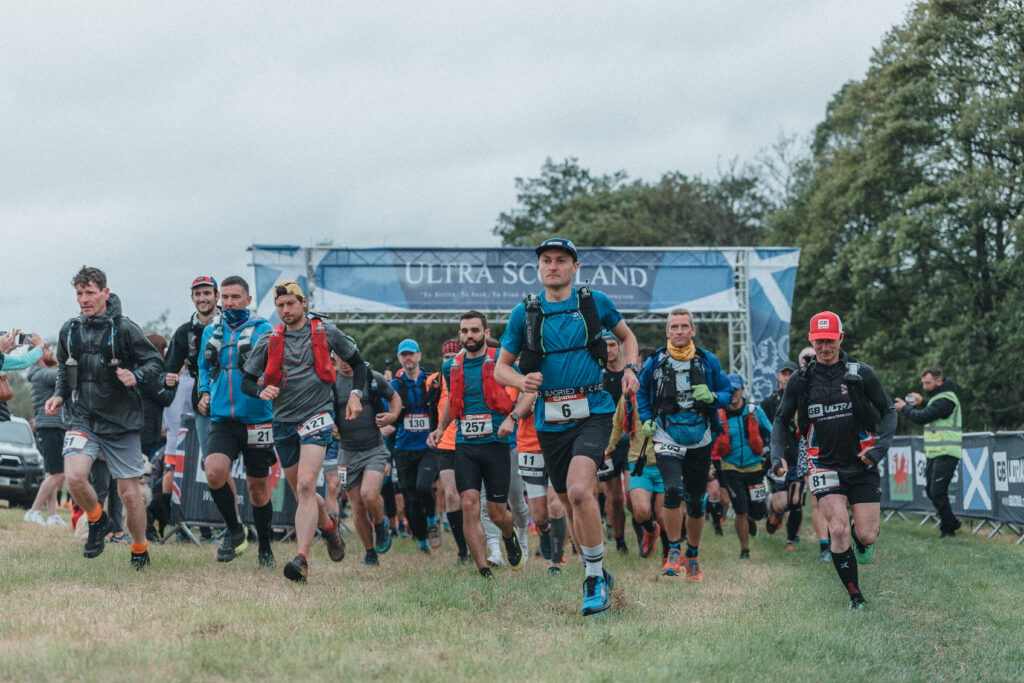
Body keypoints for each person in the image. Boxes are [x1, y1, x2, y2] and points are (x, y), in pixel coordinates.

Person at [495, 238, 640, 616]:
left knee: (578, 491)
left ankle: (592, 577)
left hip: (594, 408)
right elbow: (501, 368)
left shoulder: (594, 302)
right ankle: (598, 569)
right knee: (568, 502)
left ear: (575, 267)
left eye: (561, 260)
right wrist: (519, 382)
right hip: (549, 417)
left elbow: (626, 336)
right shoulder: (524, 313)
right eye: (547, 260)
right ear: (539, 267)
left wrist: (631, 369)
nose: (553, 266)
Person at [770, 311, 897, 609]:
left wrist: (879, 449)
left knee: (867, 534)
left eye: (829, 341)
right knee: (837, 529)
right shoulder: (801, 379)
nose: (824, 347)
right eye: (818, 342)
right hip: (822, 463)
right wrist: (777, 456)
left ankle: (861, 536)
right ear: (812, 342)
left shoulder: (860, 373)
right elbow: (780, 420)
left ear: (840, 338)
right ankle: (856, 597)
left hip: (861, 463)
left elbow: (889, 411)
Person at [241, 280, 362, 582]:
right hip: (283, 423)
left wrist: (357, 394)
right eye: (280, 306)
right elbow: (246, 381)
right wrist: (261, 392)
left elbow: (358, 365)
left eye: (290, 304)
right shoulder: (269, 338)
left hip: (317, 416)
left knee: (308, 485)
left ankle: (302, 560)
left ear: (303, 303)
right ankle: (330, 529)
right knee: (302, 492)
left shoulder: (325, 330)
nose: (285, 310)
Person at [45, 266, 164, 569]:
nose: (84, 299)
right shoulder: (69, 329)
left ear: (105, 293)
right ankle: (98, 522)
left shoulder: (124, 328)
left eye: (90, 293)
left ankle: (139, 548)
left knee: (129, 494)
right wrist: (59, 395)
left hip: (121, 422)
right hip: (82, 418)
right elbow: (63, 368)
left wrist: (135, 375)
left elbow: (155, 362)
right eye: (79, 294)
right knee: (73, 476)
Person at [636, 308, 732, 581]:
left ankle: (693, 554)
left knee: (696, 501)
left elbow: (727, 392)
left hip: (700, 437)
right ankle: (673, 550)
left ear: (693, 331)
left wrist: (712, 396)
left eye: (684, 326)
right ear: (667, 331)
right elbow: (642, 393)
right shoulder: (655, 362)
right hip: (666, 435)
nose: (679, 331)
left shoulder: (707, 360)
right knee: (672, 490)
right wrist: (646, 418)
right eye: (674, 327)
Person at [428, 311, 523, 577]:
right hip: (466, 445)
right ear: (460, 335)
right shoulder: (451, 366)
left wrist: (512, 419)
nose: (469, 335)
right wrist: (440, 427)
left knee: (496, 513)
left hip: (495, 444)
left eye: (475, 330)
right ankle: (483, 569)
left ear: (486, 333)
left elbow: (527, 389)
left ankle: (508, 533)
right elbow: (451, 401)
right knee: (468, 504)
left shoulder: (500, 362)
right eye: (465, 331)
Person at [196, 276, 278, 566]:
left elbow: (275, 368)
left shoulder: (264, 330)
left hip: (257, 419)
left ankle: (266, 546)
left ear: (248, 300)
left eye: (235, 297)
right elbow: (204, 367)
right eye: (226, 298)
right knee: (214, 470)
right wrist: (204, 392)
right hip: (222, 418)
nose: (229, 303)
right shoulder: (211, 330)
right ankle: (234, 530)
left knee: (258, 488)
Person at [333, 352, 401, 566]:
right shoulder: (329, 381)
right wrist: (329, 424)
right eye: (339, 358)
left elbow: (394, 397)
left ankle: (381, 526)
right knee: (357, 505)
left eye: (348, 357)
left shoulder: (371, 376)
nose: (344, 362)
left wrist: (393, 415)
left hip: (374, 448)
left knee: (369, 495)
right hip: (346, 451)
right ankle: (370, 552)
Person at [894, 366, 962, 538]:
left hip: (947, 451)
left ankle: (948, 528)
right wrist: (922, 401)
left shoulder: (947, 399)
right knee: (932, 491)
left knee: (938, 491)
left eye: (927, 383)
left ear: (939, 381)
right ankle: (951, 522)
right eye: (923, 383)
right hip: (935, 452)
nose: (924, 386)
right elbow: (933, 410)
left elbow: (923, 417)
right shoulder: (939, 397)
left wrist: (905, 408)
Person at [711, 374, 772, 559]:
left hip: (755, 468)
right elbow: (709, 440)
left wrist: (770, 456)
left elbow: (771, 432)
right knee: (740, 509)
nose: (734, 394)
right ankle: (745, 549)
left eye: (736, 389)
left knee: (759, 512)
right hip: (730, 468)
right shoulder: (718, 413)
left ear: (742, 390)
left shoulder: (755, 411)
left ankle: (751, 521)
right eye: (730, 390)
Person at [390, 339, 442, 554]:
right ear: (399, 359)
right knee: (409, 499)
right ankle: (422, 542)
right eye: (404, 355)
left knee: (423, 487)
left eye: (411, 354)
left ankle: (432, 519)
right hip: (403, 448)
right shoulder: (394, 386)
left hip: (428, 448)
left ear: (419, 356)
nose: (408, 358)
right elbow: (386, 412)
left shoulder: (433, 381)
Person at [165, 276, 219, 449]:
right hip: (203, 405)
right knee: (211, 461)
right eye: (197, 294)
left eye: (206, 293)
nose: (202, 298)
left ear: (217, 295)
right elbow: (168, 369)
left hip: (234, 403)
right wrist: (168, 378)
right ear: (192, 298)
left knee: (242, 464)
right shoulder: (184, 332)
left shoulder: (231, 324)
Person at [761, 361, 805, 550]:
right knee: (781, 504)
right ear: (778, 377)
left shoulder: (803, 400)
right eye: (784, 374)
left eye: (791, 374)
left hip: (799, 457)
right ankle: (775, 512)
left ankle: (790, 539)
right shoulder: (769, 402)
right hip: (778, 458)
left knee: (795, 500)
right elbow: (760, 429)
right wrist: (765, 451)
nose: (787, 377)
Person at [433, 339, 470, 563]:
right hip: (445, 443)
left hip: (470, 441)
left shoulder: (472, 374)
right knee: (450, 494)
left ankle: (486, 543)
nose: (451, 361)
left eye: (455, 357)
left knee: (471, 498)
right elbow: (427, 408)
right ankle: (462, 550)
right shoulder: (435, 381)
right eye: (447, 358)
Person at [25, 342, 69, 525]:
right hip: (50, 427)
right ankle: (34, 510)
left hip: (52, 427)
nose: (52, 352)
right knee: (59, 473)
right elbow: (64, 376)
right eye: (48, 349)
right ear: (38, 354)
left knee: (51, 474)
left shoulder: (39, 373)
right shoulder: (42, 373)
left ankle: (52, 516)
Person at [598, 331, 629, 554]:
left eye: (612, 345)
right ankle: (619, 540)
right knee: (615, 497)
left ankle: (644, 527)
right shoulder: (598, 376)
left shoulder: (630, 374)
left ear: (619, 347)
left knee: (633, 495)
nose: (608, 350)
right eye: (604, 346)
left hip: (632, 443)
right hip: (608, 444)